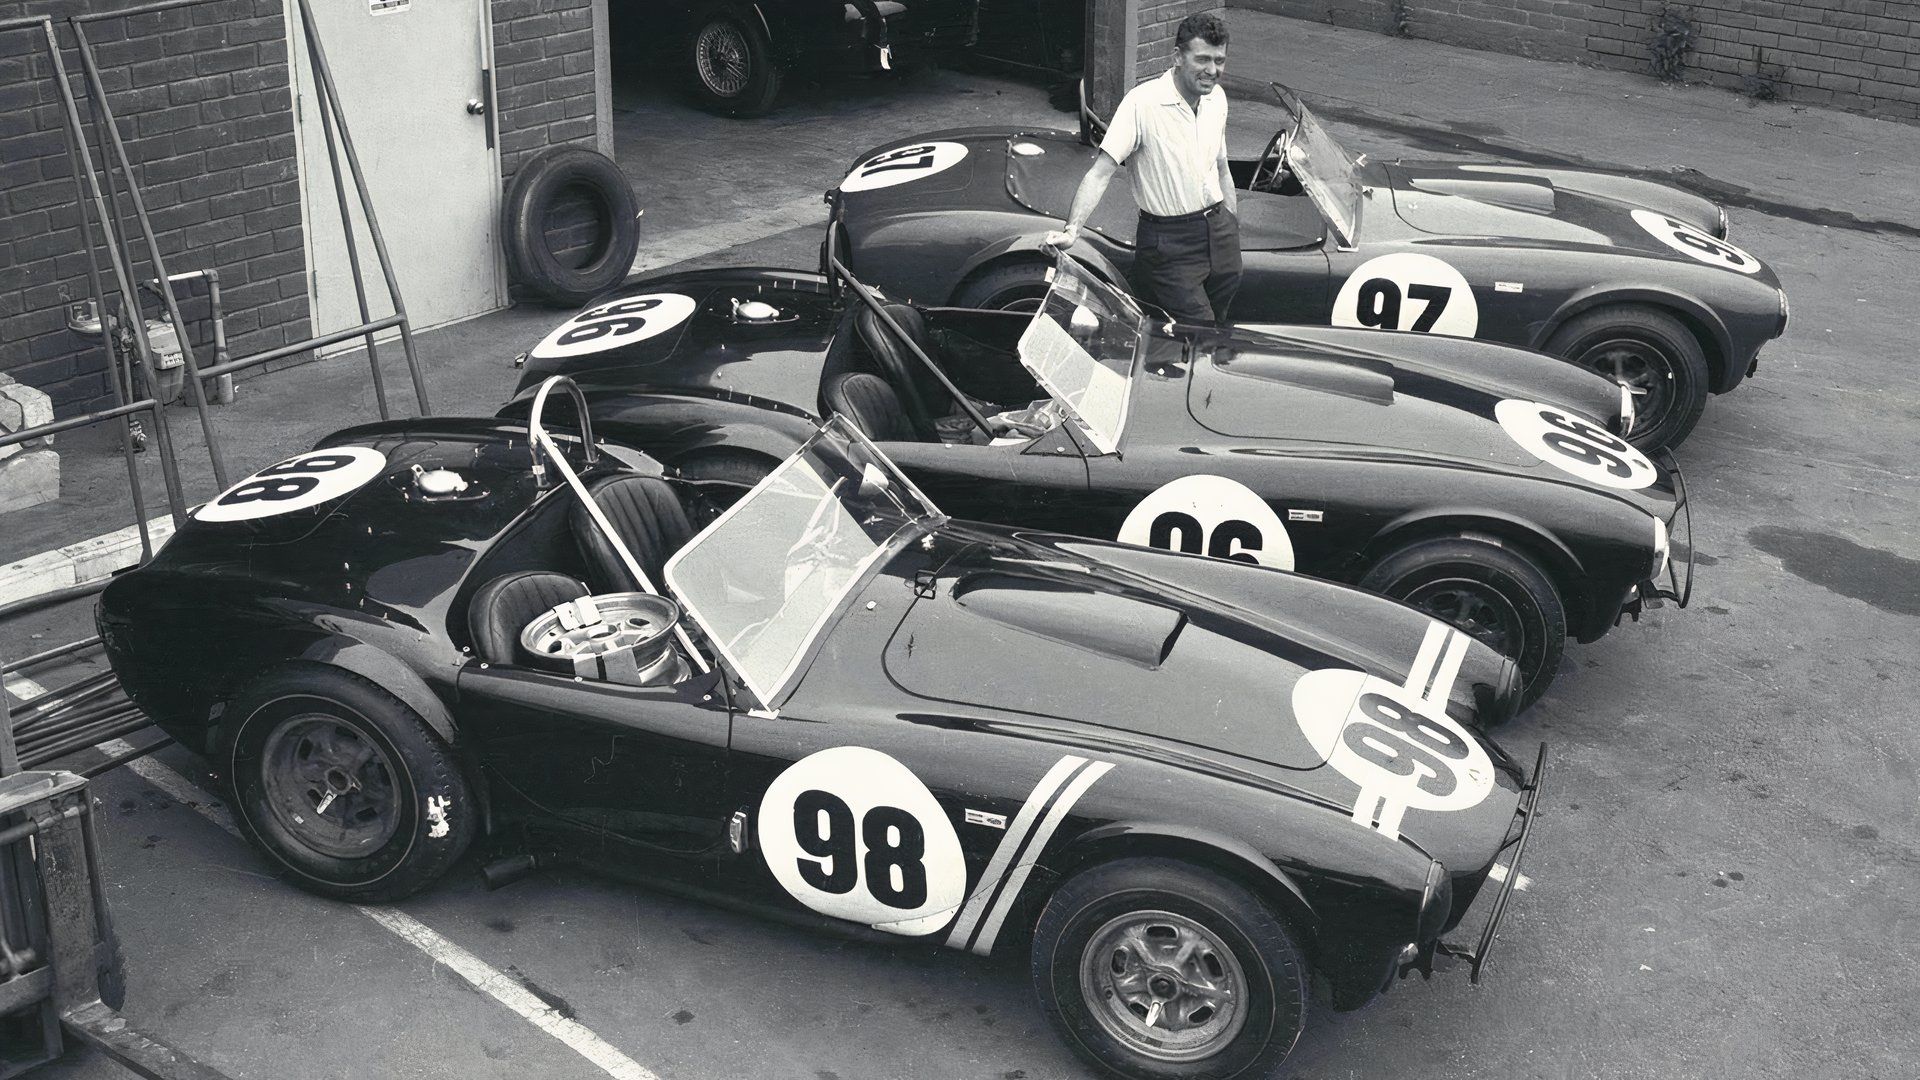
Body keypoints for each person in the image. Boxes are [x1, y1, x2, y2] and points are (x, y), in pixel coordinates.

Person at [1044, 12, 1240, 325]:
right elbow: (1100, 172)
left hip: (1219, 234)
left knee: (1217, 323)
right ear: (1177, 56)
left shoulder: (1217, 99)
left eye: (1219, 60)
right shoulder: (1142, 103)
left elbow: (1220, 165)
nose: (1212, 70)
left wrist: (1230, 219)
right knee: (1199, 329)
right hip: (1169, 241)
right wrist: (1072, 230)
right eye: (1202, 59)